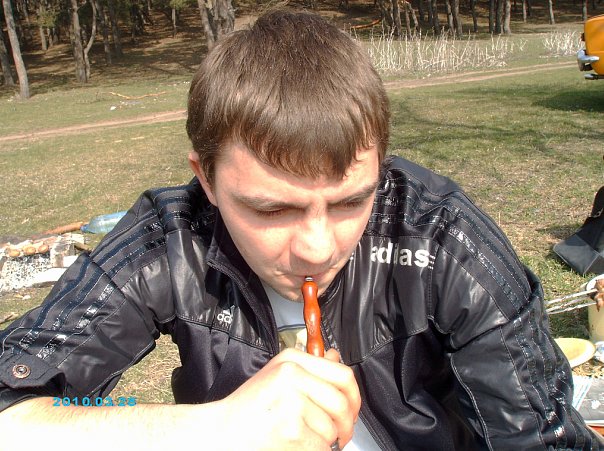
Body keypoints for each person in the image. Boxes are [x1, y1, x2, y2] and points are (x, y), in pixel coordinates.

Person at [0, 9, 601, 451]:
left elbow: (543, 439)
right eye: (271, 210)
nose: (317, 248)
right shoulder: (173, 239)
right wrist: (213, 430)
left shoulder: (440, 237)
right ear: (206, 180)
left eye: (351, 201)